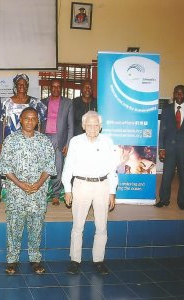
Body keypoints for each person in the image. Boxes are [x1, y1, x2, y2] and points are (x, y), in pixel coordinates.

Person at [0, 107, 56, 275]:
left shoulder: (44, 141)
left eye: (33, 118)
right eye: (26, 118)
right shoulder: (10, 140)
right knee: (13, 228)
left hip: (37, 195)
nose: (30, 121)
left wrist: (38, 184)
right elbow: (5, 167)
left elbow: (49, 166)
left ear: (37, 121)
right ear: (20, 120)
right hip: (17, 194)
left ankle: (35, 260)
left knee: (36, 228)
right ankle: (12, 261)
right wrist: (20, 184)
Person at [62, 111, 118, 275]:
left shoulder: (108, 141)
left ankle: (98, 260)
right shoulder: (75, 142)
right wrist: (67, 189)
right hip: (81, 185)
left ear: (100, 127)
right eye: (89, 125)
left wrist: (112, 191)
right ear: (83, 125)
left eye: (96, 125)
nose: (92, 128)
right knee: (78, 226)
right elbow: (68, 166)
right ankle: (75, 260)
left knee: (101, 226)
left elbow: (112, 168)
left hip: (102, 186)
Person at [156, 85, 184, 210]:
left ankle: (182, 202)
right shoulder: (167, 109)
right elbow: (162, 130)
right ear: (173, 94)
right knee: (166, 176)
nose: (179, 96)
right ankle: (163, 200)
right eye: (177, 93)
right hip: (169, 149)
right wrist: (161, 148)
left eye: (182, 93)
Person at [41, 79, 74, 206]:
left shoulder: (68, 103)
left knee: (58, 167)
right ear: (50, 88)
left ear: (61, 88)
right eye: (53, 87)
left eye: (58, 87)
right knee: (43, 167)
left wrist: (68, 143)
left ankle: (55, 194)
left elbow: (70, 125)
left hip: (59, 139)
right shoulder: (42, 102)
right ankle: (43, 193)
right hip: (44, 138)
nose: (55, 89)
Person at [1, 74, 47, 139]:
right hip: (10, 139)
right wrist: (1, 141)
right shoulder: (7, 103)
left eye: (24, 84)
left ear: (27, 86)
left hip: (31, 139)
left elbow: (41, 124)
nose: (22, 86)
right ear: (15, 86)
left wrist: (39, 138)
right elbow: (3, 124)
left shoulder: (36, 102)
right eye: (19, 84)